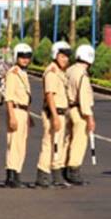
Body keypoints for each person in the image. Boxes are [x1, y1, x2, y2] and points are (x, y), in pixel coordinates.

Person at [32, 41, 72, 189]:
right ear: (55, 56)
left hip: (60, 113)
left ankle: (56, 176)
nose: (65, 59)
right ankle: (42, 175)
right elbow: (49, 95)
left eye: (67, 57)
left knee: (58, 145)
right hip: (53, 113)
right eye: (62, 56)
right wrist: (54, 116)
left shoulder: (59, 72)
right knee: (49, 144)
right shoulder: (51, 72)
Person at [64, 44, 96, 186]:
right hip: (79, 111)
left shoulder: (69, 70)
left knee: (67, 140)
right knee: (79, 142)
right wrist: (89, 118)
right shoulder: (82, 74)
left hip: (67, 109)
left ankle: (63, 168)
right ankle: (74, 170)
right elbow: (83, 98)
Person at [3, 44, 34, 189]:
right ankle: (11, 176)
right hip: (15, 110)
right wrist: (11, 117)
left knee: (21, 146)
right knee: (14, 144)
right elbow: (9, 97)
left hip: (23, 111)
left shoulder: (23, 73)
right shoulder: (13, 73)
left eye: (27, 57)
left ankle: (16, 175)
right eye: (22, 57)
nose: (25, 60)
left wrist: (29, 116)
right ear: (16, 57)